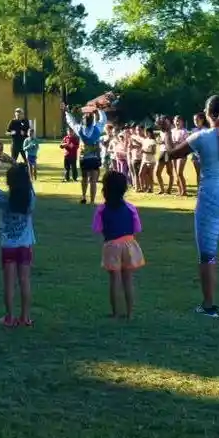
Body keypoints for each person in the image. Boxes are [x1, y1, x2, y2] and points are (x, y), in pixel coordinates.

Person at [165, 95, 219, 318]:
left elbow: (171, 154)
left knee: (208, 254)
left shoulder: (201, 137)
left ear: (209, 113)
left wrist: (166, 133)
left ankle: (209, 305)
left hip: (211, 192)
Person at [93, 171, 144, 320]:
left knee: (114, 280)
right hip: (129, 244)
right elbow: (137, 228)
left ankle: (115, 313)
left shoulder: (102, 209)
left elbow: (97, 228)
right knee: (128, 280)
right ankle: (130, 313)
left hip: (111, 244)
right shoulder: (131, 207)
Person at [0, 161, 35, 327]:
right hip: (25, 245)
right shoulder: (30, 199)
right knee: (25, 281)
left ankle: (9, 317)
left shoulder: (4, 200)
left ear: (9, 182)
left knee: (9, 284)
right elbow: (29, 186)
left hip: (8, 246)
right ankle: (25, 317)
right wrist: (18, 166)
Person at [63, 103, 108, 205]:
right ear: (92, 121)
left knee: (84, 178)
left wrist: (67, 112)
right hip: (95, 157)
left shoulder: (80, 129)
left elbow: (71, 122)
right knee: (93, 180)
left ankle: (83, 196)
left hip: (84, 158)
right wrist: (100, 110)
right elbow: (103, 120)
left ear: (83, 121)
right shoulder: (97, 129)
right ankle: (92, 201)